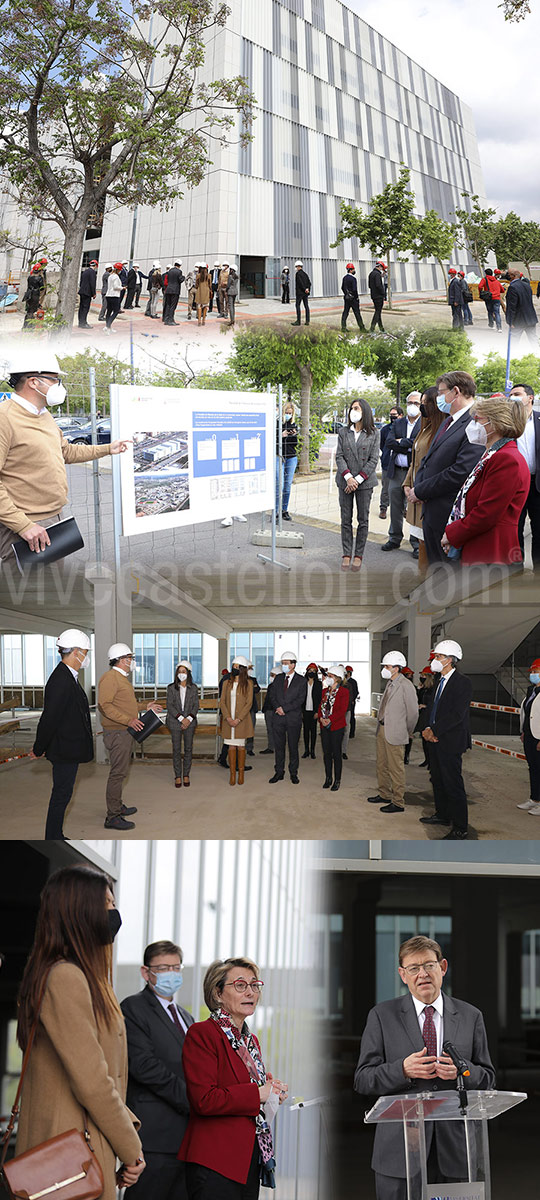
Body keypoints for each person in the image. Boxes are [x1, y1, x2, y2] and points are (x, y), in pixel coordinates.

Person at [15, 865, 145, 1200]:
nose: (113, 912)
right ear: (79, 911)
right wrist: (131, 1148)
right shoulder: (66, 977)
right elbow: (92, 1080)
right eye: (104, 903)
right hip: (67, 1159)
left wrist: (125, 1133)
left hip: (79, 1149)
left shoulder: (86, 978)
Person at [354, 934, 496, 1200]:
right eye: (413, 968)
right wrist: (402, 1070)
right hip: (399, 1151)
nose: (422, 974)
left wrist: (461, 1071)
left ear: (442, 967)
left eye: (429, 965)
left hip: (455, 1151)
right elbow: (362, 1079)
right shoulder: (381, 1016)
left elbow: (488, 1077)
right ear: (402, 974)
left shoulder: (471, 1016)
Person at [0, 351, 130, 563]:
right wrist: (23, 526)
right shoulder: (4, 418)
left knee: (51, 589)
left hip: (53, 519)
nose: (59, 386)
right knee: (26, 592)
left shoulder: (44, 415)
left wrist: (108, 448)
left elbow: (66, 451)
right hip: (24, 526)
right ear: (34, 382)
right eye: (55, 380)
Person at [178, 957, 287, 1199]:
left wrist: (271, 1094)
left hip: (249, 1158)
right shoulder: (202, 1034)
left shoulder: (249, 1040)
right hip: (215, 1161)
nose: (250, 992)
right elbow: (204, 1099)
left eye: (254, 985)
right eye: (240, 985)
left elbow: (249, 1095)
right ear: (218, 993)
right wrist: (258, 1093)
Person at [121, 940, 194, 1200]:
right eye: (163, 967)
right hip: (154, 1139)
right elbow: (144, 1066)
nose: (171, 974)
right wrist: (194, 1099)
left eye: (176, 967)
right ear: (146, 972)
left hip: (188, 1140)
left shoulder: (186, 1017)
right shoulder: (133, 1009)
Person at [405, 371, 483, 565]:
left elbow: (461, 471)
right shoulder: (449, 420)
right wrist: (418, 487)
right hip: (431, 510)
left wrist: (421, 490)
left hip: (448, 513)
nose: (439, 398)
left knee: (447, 575)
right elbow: (428, 460)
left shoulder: (475, 422)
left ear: (455, 392)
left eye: (441, 393)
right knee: (435, 570)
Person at [442, 396, 529, 564]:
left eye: (478, 419)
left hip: (491, 550)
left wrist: (452, 534)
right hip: (482, 546)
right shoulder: (494, 454)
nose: (473, 424)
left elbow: (486, 514)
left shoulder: (506, 459)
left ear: (495, 423)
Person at [29, 629, 93, 840]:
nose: (86, 656)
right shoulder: (61, 680)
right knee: (61, 795)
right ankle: (53, 836)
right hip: (64, 749)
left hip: (69, 746)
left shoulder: (69, 676)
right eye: (85, 651)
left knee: (64, 794)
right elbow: (50, 718)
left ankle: (55, 833)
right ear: (75, 652)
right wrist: (39, 748)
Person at [98, 643, 162, 829]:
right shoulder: (110, 678)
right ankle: (113, 817)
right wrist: (128, 720)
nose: (132, 661)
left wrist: (145, 707)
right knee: (117, 774)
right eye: (130, 658)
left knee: (122, 771)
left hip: (124, 731)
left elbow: (125, 703)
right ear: (122, 659)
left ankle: (117, 806)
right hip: (118, 732)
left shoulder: (121, 678)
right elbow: (106, 706)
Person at [420, 639, 472, 840]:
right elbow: (432, 709)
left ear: (450, 660)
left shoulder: (462, 682)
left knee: (453, 783)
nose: (435, 660)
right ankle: (442, 814)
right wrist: (426, 728)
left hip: (449, 740)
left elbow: (457, 714)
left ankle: (460, 827)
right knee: (437, 779)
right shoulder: (439, 681)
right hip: (433, 738)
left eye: (438, 657)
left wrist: (435, 731)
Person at [403, 386, 449, 572]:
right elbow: (415, 461)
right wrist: (407, 483)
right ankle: (422, 586)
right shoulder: (425, 428)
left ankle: (426, 589)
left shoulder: (440, 431)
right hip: (415, 494)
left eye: (424, 404)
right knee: (422, 544)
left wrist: (420, 490)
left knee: (430, 548)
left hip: (426, 495)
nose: (421, 408)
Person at [367, 651, 418, 814]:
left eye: (387, 666)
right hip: (382, 729)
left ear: (396, 668)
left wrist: (408, 730)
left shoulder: (406, 686)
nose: (385, 669)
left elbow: (413, 713)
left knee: (395, 768)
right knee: (381, 765)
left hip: (395, 732)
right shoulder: (390, 683)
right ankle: (384, 794)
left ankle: (398, 801)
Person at [335, 397, 380, 570]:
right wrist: (348, 477)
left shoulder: (374, 433)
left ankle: (358, 554)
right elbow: (339, 456)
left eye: (357, 408)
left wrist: (358, 479)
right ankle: (346, 553)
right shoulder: (343, 432)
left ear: (365, 412)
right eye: (352, 408)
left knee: (363, 519)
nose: (353, 411)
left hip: (364, 482)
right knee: (346, 519)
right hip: (345, 481)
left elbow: (373, 459)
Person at [381, 393, 421, 556]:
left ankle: (416, 543)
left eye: (416, 403)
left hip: (416, 473)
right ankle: (394, 538)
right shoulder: (397, 423)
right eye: (409, 402)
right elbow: (390, 443)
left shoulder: (425, 423)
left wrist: (402, 442)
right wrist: (409, 444)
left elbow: (420, 445)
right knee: (395, 505)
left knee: (414, 507)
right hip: (397, 471)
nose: (412, 405)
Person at [268, 651, 307, 785]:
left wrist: (285, 708)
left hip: (293, 719)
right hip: (278, 718)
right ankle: (279, 772)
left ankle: (293, 773)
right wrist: (277, 707)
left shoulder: (301, 681)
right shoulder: (278, 678)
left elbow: (300, 699)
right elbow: (272, 695)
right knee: (279, 747)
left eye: (286, 663)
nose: (283, 665)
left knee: (293, 747)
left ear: (293, 665)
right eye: (282, 663)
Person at [511, 383, 540, 569]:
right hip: (515, 485)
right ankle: (516, 570)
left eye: (517, 394)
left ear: (530, 397)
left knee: (539, 531)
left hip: (537, 484)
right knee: (514, 529)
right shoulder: (508, 422)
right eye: (511, 394)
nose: (512, 397)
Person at [218, 655, 254, 786]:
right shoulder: (227, 683)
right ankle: (232, 775)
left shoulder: (248, 683)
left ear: (243, 669)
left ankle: (241, 774)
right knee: (231, 746)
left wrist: (238, 719)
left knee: (241, 746)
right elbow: (222, 702)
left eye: (237, 667)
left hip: (242, 720)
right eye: (233, 666)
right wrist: (228, 717)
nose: (235, 669)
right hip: (229, 720)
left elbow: (249, 703)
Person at [166, 661, 199, 788]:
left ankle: (186, 774)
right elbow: (170, 705)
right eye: (179, 672)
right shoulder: (171, 688)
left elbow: (196, 705)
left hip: (190, 723)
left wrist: (188, 719)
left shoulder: (194, 688)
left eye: (184, 672)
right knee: (176, 750)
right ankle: (177, 775)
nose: (181, 674)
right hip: (175, 722)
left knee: (188, 749)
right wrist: (181, 718)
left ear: (188, 673)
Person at [317, 665, 349, 791]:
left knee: (336, 753)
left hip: (336, 726)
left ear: (337, 678)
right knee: (326, 753)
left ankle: (337, 780)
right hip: (324, 726)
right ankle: (328, 778)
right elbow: (320, 707)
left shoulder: (343, 692)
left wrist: (330, 719)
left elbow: (342, 710)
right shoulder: (325, 691)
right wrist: (321, 718)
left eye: (330, 676)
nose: (327, 678)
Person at [518, 659, 540, 814]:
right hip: (529, 734)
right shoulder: (531, 691)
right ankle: (534, 799)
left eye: (536, 672)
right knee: (533, 767)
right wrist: (524, 731)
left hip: (539, 736)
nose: (533, 675)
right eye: (532, 672)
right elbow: (528, 713)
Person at [276, 400, 298, 521]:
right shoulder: (277, 424)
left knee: (287, 485)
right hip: (279, 456)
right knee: (279, 484)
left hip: (291, 457)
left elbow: (294, 444)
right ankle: (276, 510)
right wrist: (281, 435)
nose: (288, 415)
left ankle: (284, 510)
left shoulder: (293, 425)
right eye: (286, 412)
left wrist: (293, 435)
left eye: (290, 413)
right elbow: (274, 441)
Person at [379, 405, 402, 519]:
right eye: (391, 415)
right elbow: (382, 445)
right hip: (387, 462)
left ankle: (403, 509)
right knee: (386, 488)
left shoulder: (404, 429)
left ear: (401, 415)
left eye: (395, 415)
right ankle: (383, 508)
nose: (392, 417)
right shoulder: (385, 429)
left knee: (402, 488)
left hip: (401, 464)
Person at [505, 269, 538, 344]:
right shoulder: (527, 285)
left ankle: (513, 355)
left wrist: (510, 321)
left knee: (514, 341)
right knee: (534, 340)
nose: (507, 275)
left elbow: (512, 306)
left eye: (509, 274)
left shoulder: (512, 287)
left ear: (513, 276)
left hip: (518, 320)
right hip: (531, 318)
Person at [416, 664, 435, 768]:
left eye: (423, 675)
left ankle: (432, 761)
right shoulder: (423, 689)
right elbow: (418, 699)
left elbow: (434, 704)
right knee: (423, 738)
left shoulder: (433, 689)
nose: (421, 677)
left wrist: (426, 706)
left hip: (429, 715)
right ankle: (427, 759)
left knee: (429, 739)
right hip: (422, 715)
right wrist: (419, 690)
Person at [302, 663, 322, 759]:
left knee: (313, 731)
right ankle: (306, 750)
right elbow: (300, 698)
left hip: (313, 711)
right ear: (307, 671)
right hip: (305, 710)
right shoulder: (302, 682)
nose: (311, 672)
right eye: (310, 670)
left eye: (314, 671)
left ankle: (312, 750)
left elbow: (319, 699)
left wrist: (317, 711)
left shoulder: (318, 684)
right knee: (305, 731)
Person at [260, 667, 280, 756]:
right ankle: (271, 746)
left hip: (275, 711)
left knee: (276, 730)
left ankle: (276, 746)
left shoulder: (280, 686)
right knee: (270, 730)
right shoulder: (271, 685)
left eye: (273, 675)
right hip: (268, 710)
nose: (271, 677)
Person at [478, 267, 504, 331]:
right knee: (497, 313)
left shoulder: (484, 279)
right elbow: (502, 290)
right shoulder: (496, 281)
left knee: (490, 312)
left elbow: (480, 286)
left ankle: (491, 325)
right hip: (497, 298)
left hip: (489, 298)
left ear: (486, 273)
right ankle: (499, 327)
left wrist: (481, 292)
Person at [341, 263, 365, 330]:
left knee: (345, 312)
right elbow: (354, 289)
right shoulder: (353, 279)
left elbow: (342, 287)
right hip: (353, 299)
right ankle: (362, 327)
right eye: (354, 269)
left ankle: (343, 327)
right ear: (351, 270)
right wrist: (356, 297)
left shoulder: (344, 278)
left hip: (346, 298)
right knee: (357, 313)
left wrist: (347, 294)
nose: (354, 270)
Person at [245, 662, 261, 758]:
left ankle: (249, 748)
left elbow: (257, 689)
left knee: (251, 729)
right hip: (242, 708)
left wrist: (250, 687)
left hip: (251, 708)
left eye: (251, 669)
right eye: (249, 668)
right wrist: (251, 687)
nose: (251, 671)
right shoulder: (239, 679)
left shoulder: (253, 679)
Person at [77, 259, 98, 328]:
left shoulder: (85, 271)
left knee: (81, 308)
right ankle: (84, 323)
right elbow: (92, 283)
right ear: (95, 266)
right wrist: (94, 293)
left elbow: (81, 282)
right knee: (86, 308)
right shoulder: (92, 272)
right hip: (87, 292)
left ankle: (80, 322)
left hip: (82, 291)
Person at [105, 262, 124, 330]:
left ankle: (108, 327)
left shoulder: (110, 276)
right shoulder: (116, 276)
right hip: (114, 295)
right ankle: (108, 325)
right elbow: (116, 286)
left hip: (108, 295)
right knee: (116, 311)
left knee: (109, 311)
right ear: (118, 270)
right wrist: (122, 288)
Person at [368, 260, 386, 331]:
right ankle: (372, 328)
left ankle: (381, 328)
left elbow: (369, 285)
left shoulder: (371, 273)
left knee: (378, 312)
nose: (382, 269)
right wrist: (383, 293)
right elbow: (379, 285)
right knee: (377, 312)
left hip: (373, 295)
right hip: (379, 296)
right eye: (382, 267)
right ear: (380, 266)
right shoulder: (377, 274)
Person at [292, 260, 311, 326]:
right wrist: (307, 289)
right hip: (305, 293)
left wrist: (304, 289)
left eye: (296, 266)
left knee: (297, 305)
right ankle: (307, 321)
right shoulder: (305, 274)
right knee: (306, 306)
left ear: (298, 266)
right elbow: (309, 283)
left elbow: (300, 283)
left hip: (300, 293)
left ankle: (298, 321)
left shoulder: (298, 274)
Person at [344, 665, 359, 739]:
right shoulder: (343, 681)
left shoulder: (353, 682)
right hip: (344, 702)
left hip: (351, 702)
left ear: (349, 673)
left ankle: (352, 733)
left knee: (351, 717)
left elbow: (356, 692)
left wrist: (352, 700)